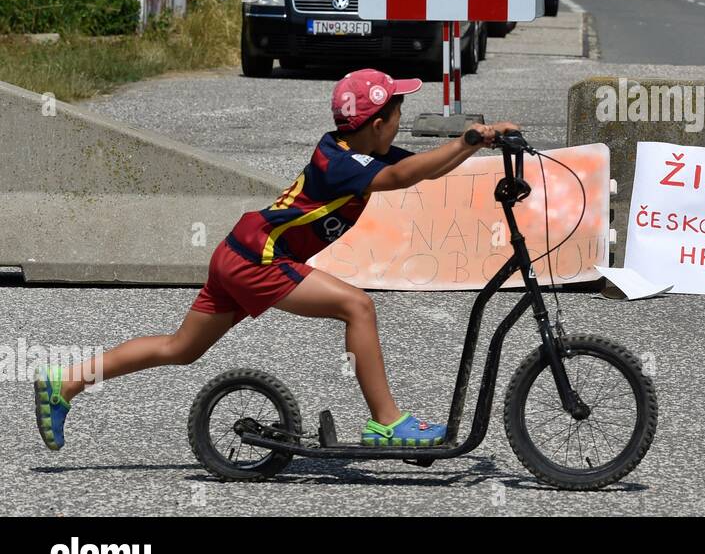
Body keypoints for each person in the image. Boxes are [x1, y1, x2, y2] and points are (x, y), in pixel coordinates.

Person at [34, 69, 517, 451]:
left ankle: (67, 381)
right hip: (259, 260)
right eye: (398, 112)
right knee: (358, 306)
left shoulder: (350, 150)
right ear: (377, 124)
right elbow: (406, 176)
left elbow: (420, 170)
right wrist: (464, 142)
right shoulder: (345, 165)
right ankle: (388, 422)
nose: (401, 120)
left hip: (237, 252)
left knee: (179, 349)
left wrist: (486, 137)